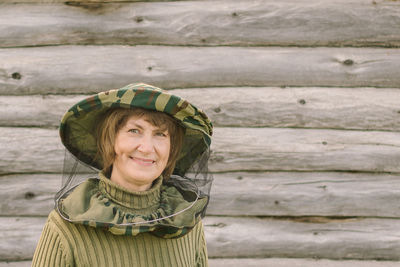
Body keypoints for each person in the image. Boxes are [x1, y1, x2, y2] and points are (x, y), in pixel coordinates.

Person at [32, 83, 213, 267]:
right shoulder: (67, 225)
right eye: (134, 131)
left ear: (171, 149)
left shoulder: (184, 220)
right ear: (110, 140)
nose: (147, 148)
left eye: (160, 134)